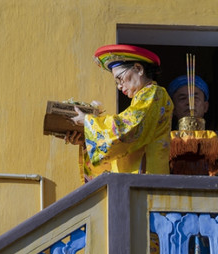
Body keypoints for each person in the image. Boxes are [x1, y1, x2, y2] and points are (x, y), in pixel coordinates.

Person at [66, 44, 173, 181]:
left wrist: (88, 122)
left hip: (146, 180)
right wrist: (87, 139)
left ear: (138, 69)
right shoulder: (142, 99)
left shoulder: (154, 93)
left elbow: (127, 128)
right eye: (116, 83)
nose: (119, 86)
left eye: (120, 79)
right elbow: (121, 146)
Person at [167, 74, 218, 176]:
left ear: (205, 106)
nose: (190, 102)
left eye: (196, 97)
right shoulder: (165, 139)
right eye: (182, 98)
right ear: (173, 108)